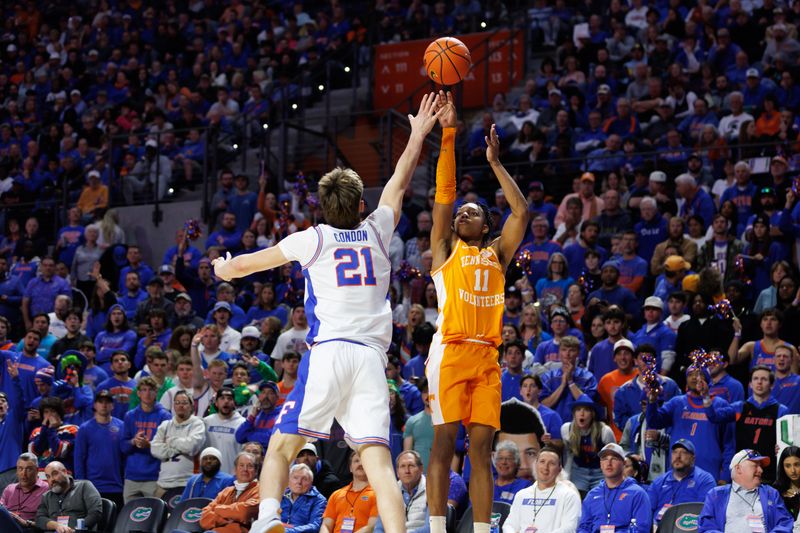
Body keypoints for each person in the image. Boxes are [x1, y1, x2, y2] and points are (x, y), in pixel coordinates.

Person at [212, 92, 446, 533]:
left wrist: (224, 266)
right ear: (361, 206)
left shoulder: (312, 239)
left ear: (322, 207)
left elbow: (246, 265)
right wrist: (416, 134)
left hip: (329, 353)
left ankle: (267, 520)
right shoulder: (378, 229)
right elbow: (398, 180)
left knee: (282, 447)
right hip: (371, 360)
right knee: (379, 463)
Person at [646, 365, 735, 482]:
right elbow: (654, 422)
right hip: (678, 472)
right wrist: (652, 401)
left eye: (699, 374)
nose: (694, 378)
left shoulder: (721, 405)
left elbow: (729, 445)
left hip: (710, 473)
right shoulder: (676, 403)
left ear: (707, 379)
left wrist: (725, 476)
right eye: (690, 375)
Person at [706, 365, 789, 483]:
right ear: (750, 384)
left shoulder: (781, 410)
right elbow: (713, 417)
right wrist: (705, 396)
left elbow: (787, 444)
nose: (759, 382)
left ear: (772, 384)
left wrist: (782, 447)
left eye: (764, 379)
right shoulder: (739, 407)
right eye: (755, 379)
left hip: (770, 473)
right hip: (742, 471)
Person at [698, 449, 794, 533]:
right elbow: (706, 528)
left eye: (760, 466)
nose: (761, 470)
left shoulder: (771, 493)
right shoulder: (716, 495)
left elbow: (785, 523)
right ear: (739, 468)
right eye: (755, 465)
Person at [503, 445, 581, 533]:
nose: (545, 467)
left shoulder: (569, 495)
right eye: (542, 461)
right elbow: (509, 524)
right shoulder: (522, 494)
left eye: (551, 463)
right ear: (536, 464)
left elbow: (569, 528)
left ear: (559, 469)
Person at [577, 443, 652, 532]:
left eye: (614, 459)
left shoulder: (637, 494)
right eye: (604, 459)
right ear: (600, 464)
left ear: (623, 464)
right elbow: (584, 527)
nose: (608, 463)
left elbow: (641, 529)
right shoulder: (592, 495)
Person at [120, 376, 172, 502]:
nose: (147, 393)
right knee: (130, 517)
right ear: (138, 393)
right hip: (132, 477)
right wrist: (134, 441)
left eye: (150, 390)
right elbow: (122, 447)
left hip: (154, 476)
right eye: (143, 390)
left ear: (156, 392)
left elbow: (168, 448)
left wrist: (148, 445)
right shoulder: (130, 416)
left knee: (153, 518)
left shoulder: (165, 416)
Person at [647, 439, 717, 527]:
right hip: (659, 527)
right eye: (675, 452)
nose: (678, 456)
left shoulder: (704, 480)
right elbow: (647, 509)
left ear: (693, 458)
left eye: (684, 452)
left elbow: (705, 512)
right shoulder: (659, 482)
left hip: (687, 527)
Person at [73, 390, 125, 508]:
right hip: (93, 486)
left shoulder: (122, 426)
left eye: (107, 402)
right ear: (95, 405)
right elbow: (79, 458)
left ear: (113, 405)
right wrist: (81, 485)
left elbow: (125, 456)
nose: (104, 405)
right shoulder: (85, 429)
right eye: (100, 402)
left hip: (116, 485)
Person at [150, 388, 206, 497]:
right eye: (177, 403)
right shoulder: (165, 425)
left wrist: (170, 441)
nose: (181, 405)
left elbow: (191, 447)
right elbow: (154, 449)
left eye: (184, 403)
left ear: (191, 406)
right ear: (173, 406)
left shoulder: (197, 424)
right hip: (163, 483)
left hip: (188, 482)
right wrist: (176, 450)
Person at [561, 394, 616, 494]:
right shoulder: (566, 429)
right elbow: (568, 456)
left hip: (599, 473)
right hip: (578, 473)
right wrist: (566, 478)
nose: (581, 413)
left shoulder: (604, 431)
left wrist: (612, 478)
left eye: (586, 410)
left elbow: (614, 455)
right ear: (574, 414)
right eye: (578, 410)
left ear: (592, 414)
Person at [199, 451, 261, 533]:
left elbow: (244, 513)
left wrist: (217, 508)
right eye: (241, 465)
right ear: (235, 470)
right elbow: (204, 519)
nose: (245, 469)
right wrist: (232, 517)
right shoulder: (227, 491)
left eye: (249, 466)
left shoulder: (260, 490)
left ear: (256, 471)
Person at [540, 336, 599, 422]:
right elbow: (544, 405)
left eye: (572, 350)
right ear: (559, 352)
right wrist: (562, 385)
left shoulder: (588, 377)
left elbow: (588, 405)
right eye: (564, 350)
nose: (567, 354)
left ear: (578, 353)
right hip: (554, 425)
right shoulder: (548, 377)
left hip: (580, 426)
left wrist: (571, 382)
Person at [320, 451, 379, 533]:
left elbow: (372, 527)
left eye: (364, 460)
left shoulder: (377, 495)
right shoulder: (336, 494)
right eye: (356, 461)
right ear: (350, 468)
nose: (360, 464)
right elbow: (326, 525)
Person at [35, 461, 103, 532]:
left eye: (54, 474)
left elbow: (95, 513)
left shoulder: (84, 486)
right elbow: (39, 519)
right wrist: (57, 525)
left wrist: (75, 530)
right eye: (48, 476)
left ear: (64, 472)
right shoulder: (46, 496)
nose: (52, 479)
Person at [28, 397, 79, 471]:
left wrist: (52, 429)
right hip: (40, 476)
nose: (49, 415)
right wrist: (45, 429)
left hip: (63, 476)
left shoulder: (71, 429)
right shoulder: (37, 431)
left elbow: (60, 452)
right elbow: (33, 453)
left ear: (59, 413)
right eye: (46, 412)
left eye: (52, 411)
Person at [0, 453, 48, 529]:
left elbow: (50, 521)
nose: (23, 474)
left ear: (37, 470)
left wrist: (26, 523)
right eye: (20, 468)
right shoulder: (10, 489)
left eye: (28, 469)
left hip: (29, 528)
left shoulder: (46, 490)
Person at [204, 387, 246, 474]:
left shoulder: (242, 423)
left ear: (234, 403)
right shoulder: (206, 422)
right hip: (210, 475)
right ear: (216, 403)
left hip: (232, 476)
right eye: (222, 398)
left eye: (229, 398)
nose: (226, 401)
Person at [280, 463, 327, 533]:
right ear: (288, 480)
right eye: (295, 478)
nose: (299, 482)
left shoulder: (319, 500)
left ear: (311, 482)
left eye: (304, 479)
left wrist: (286, 531)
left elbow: (315, 526)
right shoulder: (281, 495)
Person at [235, 380, 280, 449]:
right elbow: (239, 437)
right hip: (255, 457)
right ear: (259, 396)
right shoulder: (255, 416)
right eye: (263, 392)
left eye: (270, 393)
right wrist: (252, 416)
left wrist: (249, 437)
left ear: (277, 397)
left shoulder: (281, 414)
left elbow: (272, 439)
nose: (265, 396)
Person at [774, 446, 800, 522]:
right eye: (788, 466)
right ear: (782, 467)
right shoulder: (776, 491)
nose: (793, 470)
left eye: (797, 464)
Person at [772, 345, 800, 414]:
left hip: (793, 423)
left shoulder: (798, 381)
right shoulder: (765, 381)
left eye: (785, 356)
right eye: (778, 356)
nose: (781, 358)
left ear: (791, 360)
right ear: (774, 359)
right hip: (769, 423)